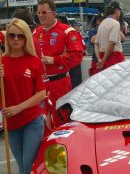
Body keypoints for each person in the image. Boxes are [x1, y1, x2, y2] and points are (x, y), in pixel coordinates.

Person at [0, 19, 48, 174]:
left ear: (26, 38)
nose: (15, 39)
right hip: (11, 124)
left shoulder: (34, 61)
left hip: (31, 120)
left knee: (27, 167)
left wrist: (18, 108)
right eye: (11, 35)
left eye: (20, 35)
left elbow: (42, 93)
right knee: (22, 170)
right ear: (6, 38)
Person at [33, 0, 83, 129]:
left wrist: (54, 60)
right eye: (38, 12)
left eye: (44, 12)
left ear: (54, 13)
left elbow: (77, 56)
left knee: (62, 120)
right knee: (41, 121)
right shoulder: (36, 32)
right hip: (39, 85)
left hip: (59, 83)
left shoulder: (67, 31)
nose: (40, 15)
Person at [94, 1, 125, 73]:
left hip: (102, 56)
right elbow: (111, 44)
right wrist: (104, 61)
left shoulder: (102, 24)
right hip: (114, 57)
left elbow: (96, 44)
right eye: (119, 11)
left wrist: (99, 59)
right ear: (116, 11)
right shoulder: (115, 23)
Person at [69, 21, 88, 88]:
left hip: (78, 59)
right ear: (73, 27)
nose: (79, 28)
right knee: (75, 79)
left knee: (78, 78)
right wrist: (83, 51)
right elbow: (77, 47)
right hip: (74, 60)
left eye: (79, 26)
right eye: (77, 26)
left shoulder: (78, 34)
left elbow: (82, 45)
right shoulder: (72, 35)